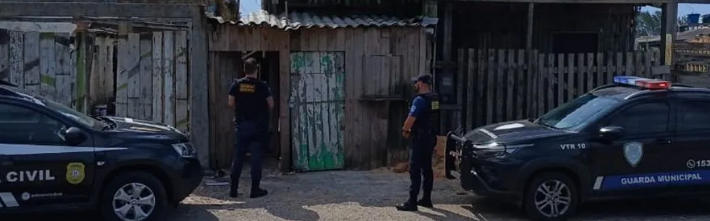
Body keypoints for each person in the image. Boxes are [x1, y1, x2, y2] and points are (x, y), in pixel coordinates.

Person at [228, 57, 274, 199]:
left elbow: (230, 103)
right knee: (256, 159)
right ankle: (255, 190)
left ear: (244, 69)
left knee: (238, 158)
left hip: (242, 126)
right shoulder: (262, 86)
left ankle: (233, 190)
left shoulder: (236, 85)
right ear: (257, 69)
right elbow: (271, 104)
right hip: (258, 127)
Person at [396, 74, 440, 211]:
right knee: (427, 168)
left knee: (414, 169)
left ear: (421, 84)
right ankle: (427, 198)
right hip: (431, 137)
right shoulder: (434, 99)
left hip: (420, 139)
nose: (415, 85)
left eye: (416, 82)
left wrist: (404, 130)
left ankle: (412, 202)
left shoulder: (419, 100)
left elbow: (411, 118)